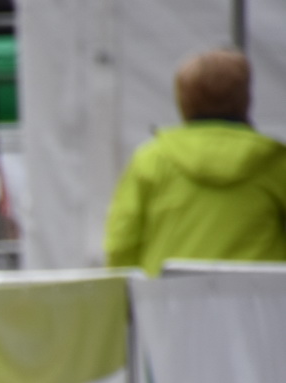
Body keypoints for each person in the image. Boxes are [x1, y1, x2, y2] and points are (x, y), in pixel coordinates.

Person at [105, 49, 286, 275]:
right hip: (258, 296)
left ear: (182, 100)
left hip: (167, 295)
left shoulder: (151, 160)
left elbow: (121, 246)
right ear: (247, 98)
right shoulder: (276, 163)